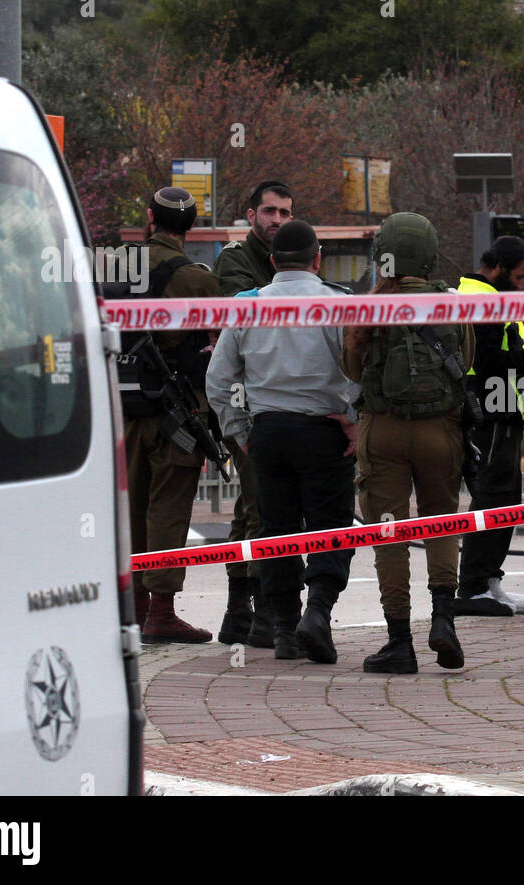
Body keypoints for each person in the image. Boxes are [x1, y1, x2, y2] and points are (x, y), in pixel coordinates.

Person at [206, 220, 360, 661]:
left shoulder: (247, 307)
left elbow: (218, 380)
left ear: (272, 262)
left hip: (268, 434)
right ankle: (318, 611)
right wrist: (350, 417)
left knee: (276, 533)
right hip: (323, 431)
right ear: (318, 259)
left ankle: (284, 630)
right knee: (331, 528)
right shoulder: (339, 304)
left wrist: (240, 431)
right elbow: (358, 370)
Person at [342, 213, 475, 673]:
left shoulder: (370, 308)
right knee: (442, 523)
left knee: (389, 535)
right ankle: (444, 619)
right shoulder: (452, 303)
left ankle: (400, 641)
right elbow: (466, 361)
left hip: (384, 431)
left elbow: (353, 371)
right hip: (442, 431)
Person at [126, 187, 221, 643]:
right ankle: (160, 612)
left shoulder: (117, 268)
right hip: (176, 413)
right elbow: (214, 346)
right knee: (167, 508)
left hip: (123, 410)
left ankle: (132, 609)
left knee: (130, 506)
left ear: (149, 217)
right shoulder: (198, 279)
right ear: (191, 228)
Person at [210, 179, 295, 649]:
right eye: (269, 211)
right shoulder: (236, 261)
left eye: (284, 212)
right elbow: (250, 324)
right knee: (258, 503)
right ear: (251, 215)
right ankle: (254, 608)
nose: (277, 220)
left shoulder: (281, 263)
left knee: (254, 504)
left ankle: (241, 610)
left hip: (272, 396)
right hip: (246, 399)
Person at [455, 236, 524, 615]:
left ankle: (489, 582)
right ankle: (472, 588)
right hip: (488, 414)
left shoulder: (489, 297)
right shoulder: (481, 299)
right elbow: (490, 360)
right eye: (518, 277)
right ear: (500, 268)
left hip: (502, 414)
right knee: (490, 499)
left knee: (505, 500)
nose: (522, 285)